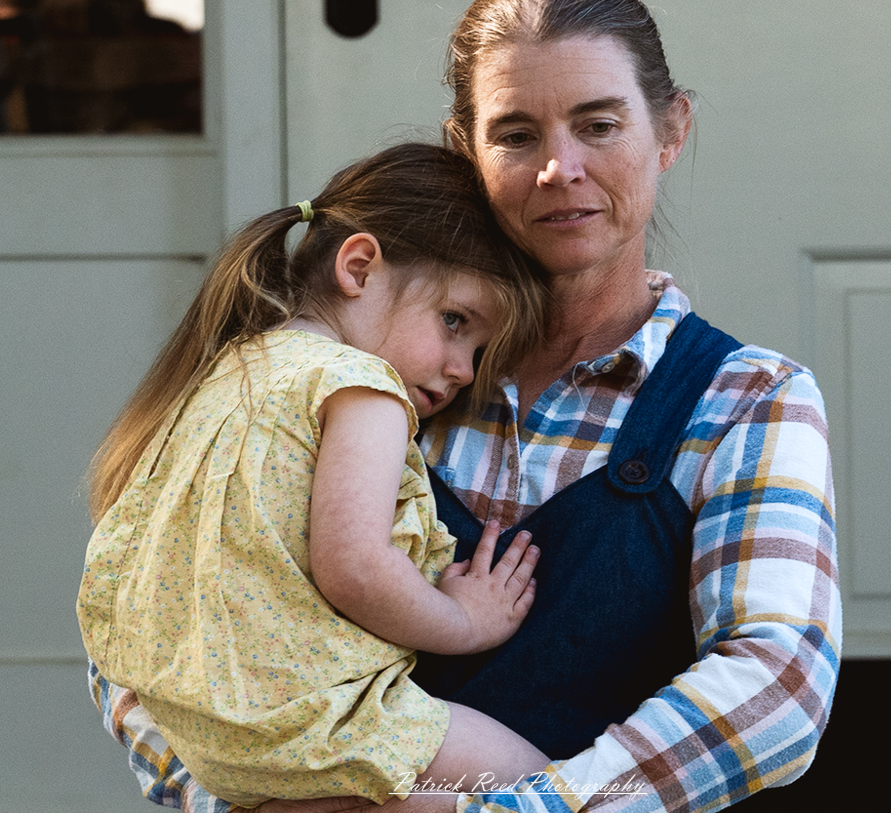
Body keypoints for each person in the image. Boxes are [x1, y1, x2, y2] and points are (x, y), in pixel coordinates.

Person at [93, 0, 841, 813]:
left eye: (599, 125)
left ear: (670, 130)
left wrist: (529, 812)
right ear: (466, 148)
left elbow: (776, 687)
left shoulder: (744, 400)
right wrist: (244, 800)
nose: (559, 168)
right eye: (516, 135)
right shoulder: (365, 381)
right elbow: (158, 611)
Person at [78, 143, 558, 807]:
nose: (464, 370)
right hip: (310, 715)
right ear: (358, 267)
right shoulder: (362, 388)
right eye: (455, 322)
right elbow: (356, 567)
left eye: (478, 350)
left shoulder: (233, 368)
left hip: (205, 732)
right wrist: (463, 619)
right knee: (546, 791)